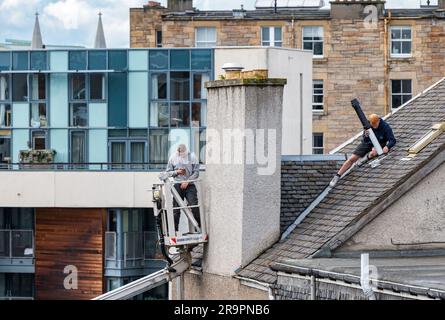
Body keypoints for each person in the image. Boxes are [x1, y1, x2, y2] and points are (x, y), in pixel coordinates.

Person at [330, 114, 396, 187]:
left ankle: (365, 159)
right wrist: (366, 135)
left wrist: (387, 146)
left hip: (379, 143)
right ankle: (337, 176)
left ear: (379, 121)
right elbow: (364, 139)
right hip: (367, 142)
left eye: (375, 124)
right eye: (372, 124)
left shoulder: (386, 127)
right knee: (352, 158)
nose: (373, 126)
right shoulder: (367, 124)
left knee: (374, 152)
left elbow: (392, 140)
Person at [165, 144, 201, 233]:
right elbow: (168, 172)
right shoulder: (173, 157)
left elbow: (196, 172)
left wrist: (188, 181)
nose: (181, 156)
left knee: (194, 205)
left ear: (186, 152)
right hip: (177, 184)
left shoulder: (192, 157)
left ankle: (199, 226)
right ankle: (175, 230)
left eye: (183, 154)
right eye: (179, 154)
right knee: (176, 208)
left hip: (190, 185)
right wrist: (176, 172)